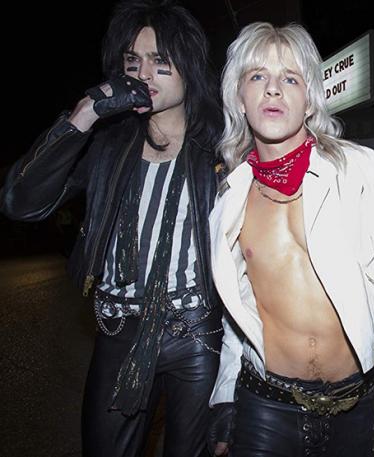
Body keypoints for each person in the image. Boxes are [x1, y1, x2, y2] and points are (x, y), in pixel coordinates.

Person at [205, 22, 374, 457]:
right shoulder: (231, 196)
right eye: (258, 76)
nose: (273, 89)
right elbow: (238, 311)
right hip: (264, 403)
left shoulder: (357, 169)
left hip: (353, 406)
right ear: (239, 98)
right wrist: (225, 393)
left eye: (290, 78)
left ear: (309, 101)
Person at [0, 1, 224, 456]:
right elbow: (20, 203)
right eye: (133, 61)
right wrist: (85, 113)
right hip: (120, 328)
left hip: (197, 334)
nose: (144, 73)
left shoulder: (220, 148)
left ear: (188, 66)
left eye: (160, 61)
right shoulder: (106, 143)